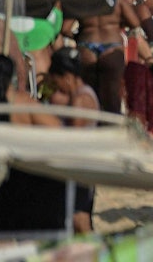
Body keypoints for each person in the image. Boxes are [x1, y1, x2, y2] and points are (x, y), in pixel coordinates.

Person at [48, 48, 100, 232]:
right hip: (84, 167)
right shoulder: (85, 94)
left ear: (67, 76)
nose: (58, 87)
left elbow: (73, 138)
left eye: (57, 82)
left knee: (79, 219)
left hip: (80, 167)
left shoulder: (80, 100)